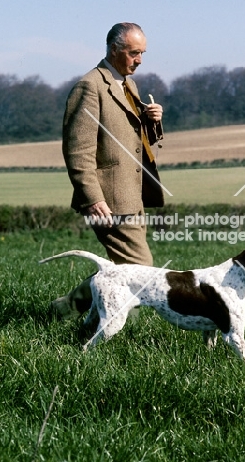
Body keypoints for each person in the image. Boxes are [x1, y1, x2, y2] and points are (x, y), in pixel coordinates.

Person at [54, 22, 164, 319]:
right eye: (133, 52)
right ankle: (97, 321)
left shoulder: (128, 84)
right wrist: (92, 198)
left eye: (142, 53)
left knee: (125, 271)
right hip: (108, 200)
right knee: (141, 270)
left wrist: (152, 120)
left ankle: (64, 310)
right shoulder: (89, 87)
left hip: (132, 195)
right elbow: (77, 151)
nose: (139, 59)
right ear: (114, 50)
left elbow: (137, 144)